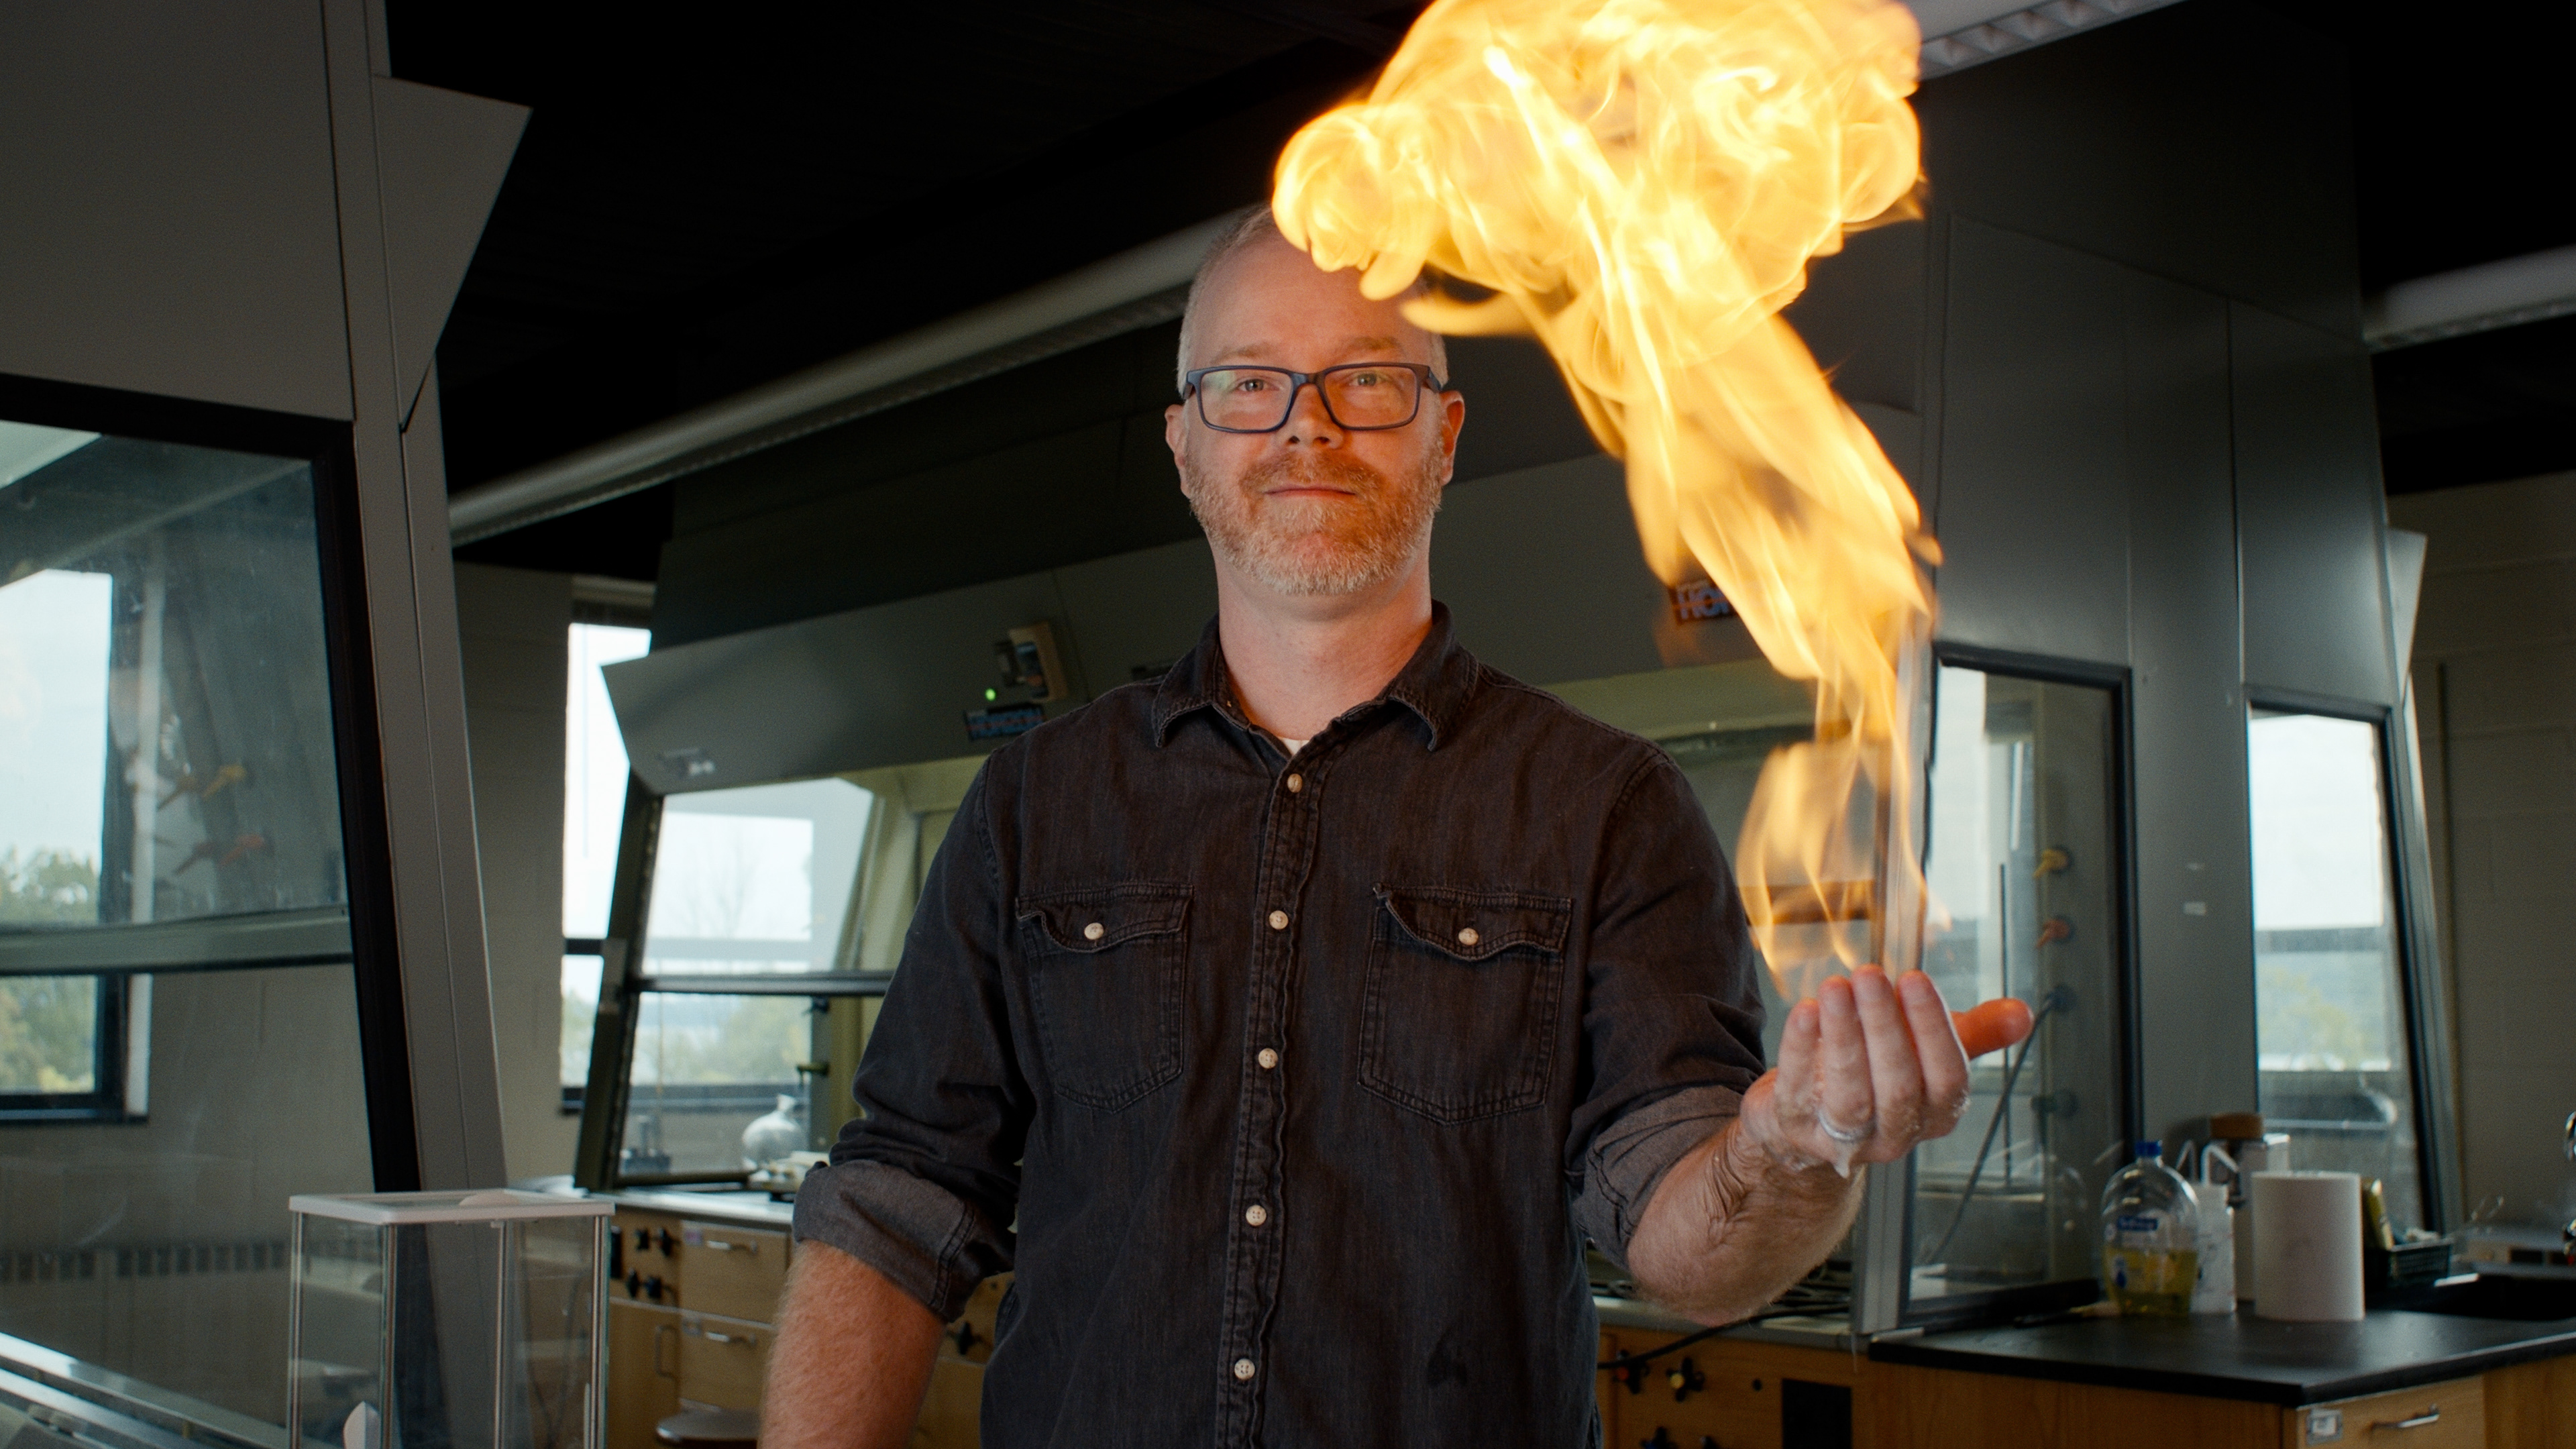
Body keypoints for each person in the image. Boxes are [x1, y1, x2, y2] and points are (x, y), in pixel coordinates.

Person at [763, 209, 2029, 1448]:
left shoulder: (1609, 807)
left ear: (1446, 433)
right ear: (1185, 441)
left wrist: (1797, 1151)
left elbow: (1685, 1244)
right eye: (1249, 383)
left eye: (1366, 380)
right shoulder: (1032, 806)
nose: (1306, 425)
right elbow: (899, 1198)